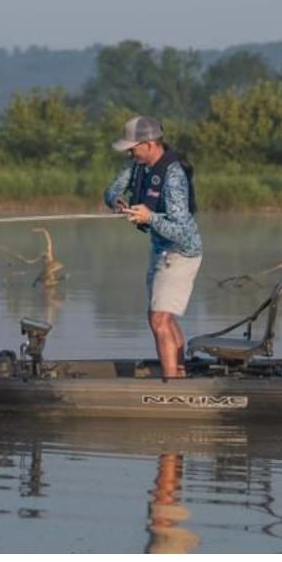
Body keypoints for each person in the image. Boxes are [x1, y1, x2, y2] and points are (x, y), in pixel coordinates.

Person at [104, 116, 203, 380]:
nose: (129, 152)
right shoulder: (135, 164)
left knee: (158, 319)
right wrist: (116, 201)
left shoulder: (174, 177)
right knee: (163, 318)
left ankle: (170, 388)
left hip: (180, 251)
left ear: (148, 144)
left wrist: (149, 218)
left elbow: (181, 231)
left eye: (132, 147)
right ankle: (179, 374)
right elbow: (111, 190)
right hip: (159, 249)